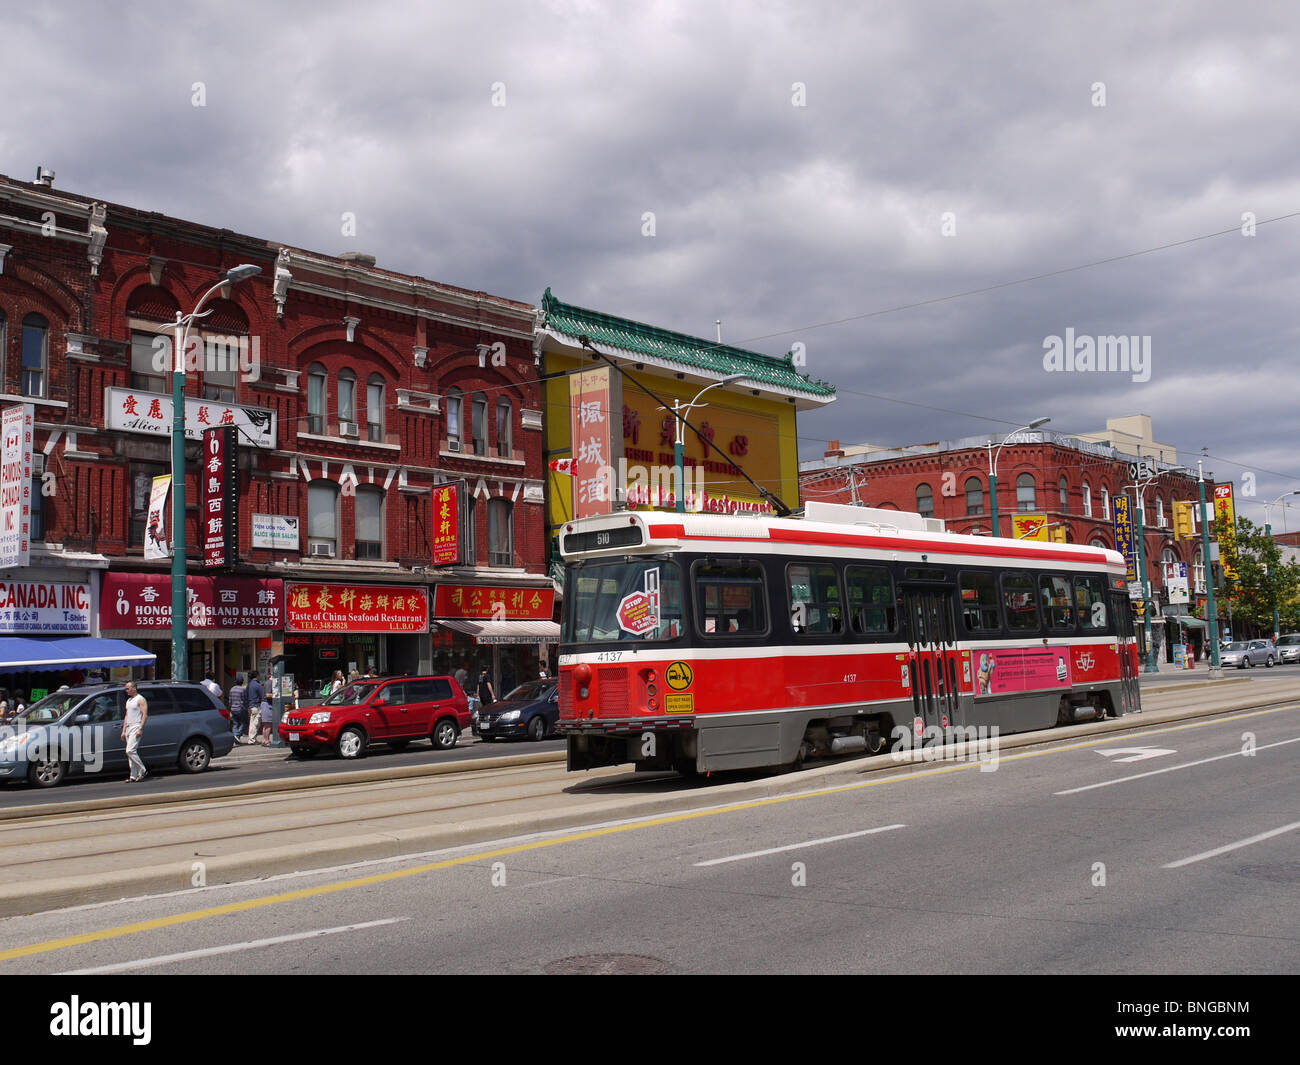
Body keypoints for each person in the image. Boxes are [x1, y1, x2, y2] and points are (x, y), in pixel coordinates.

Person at [123, 681, 149, 782]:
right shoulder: (129, 700)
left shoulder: (140, 699)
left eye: (127, 688)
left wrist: (140, 728)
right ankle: (133, 776)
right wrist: (123, 730)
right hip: (129, 727)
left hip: (136, 726)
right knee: (130, 754)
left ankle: (143, 769)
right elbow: (126, 715)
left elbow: (144, 714)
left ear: (134, 688)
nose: (126, 691)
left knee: (130, 750)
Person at [228, 674, 249, 743]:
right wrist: (247, 708)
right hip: (241, 709)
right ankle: (237, 735)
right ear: (242, 682)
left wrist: (230, 708)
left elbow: (230, 701)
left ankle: (235, 738)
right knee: (245, 723)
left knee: (235, 724)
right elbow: (245, 700)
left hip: (233, 709)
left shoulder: (232, 689)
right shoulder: (243, 689)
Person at [246, 671, 264, 743]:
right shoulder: (258, 685)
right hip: (256, 705)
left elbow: (246, 694)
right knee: (255, 723)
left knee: (252, 722)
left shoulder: (249, 685)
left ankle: (251, 738)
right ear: (257, 676)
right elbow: (262, 696)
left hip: (250, 705)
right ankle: (252, 739)